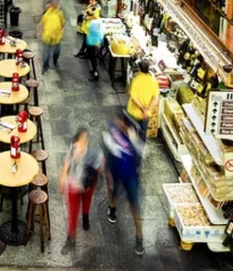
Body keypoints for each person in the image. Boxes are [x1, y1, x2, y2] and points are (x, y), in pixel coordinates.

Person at [103, 113, 145, 256]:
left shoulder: (134, 135)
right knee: (112, 191)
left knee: (134, 204)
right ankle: (112, 206)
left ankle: (139, 236)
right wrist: (108, 175)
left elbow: (140, 153)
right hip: (115, 172)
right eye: (121, 123)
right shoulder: (111, 135)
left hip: (131, 176)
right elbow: (107, 156)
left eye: (125, 125)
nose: (123, 126)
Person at [59, 128, 104, 251]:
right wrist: (63, 177)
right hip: (74, 183)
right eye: (81, 141)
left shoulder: (93, 152)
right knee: (73, 212)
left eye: (85, 141)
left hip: (88, 184)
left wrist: (99, 168)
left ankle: (85, 216)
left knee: (86, 202)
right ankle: (71, 238)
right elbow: (68, 160)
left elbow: (101, 167)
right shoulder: (73, 147)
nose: (82, 144)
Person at [126, 59, 159, 135]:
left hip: (133, 113)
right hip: (145, 116)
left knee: (129, 135)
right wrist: (147, 110)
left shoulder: (136, 80)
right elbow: (156, 99)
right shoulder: (154, 82)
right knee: (141, 135)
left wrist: (142, 109)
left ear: (139, 70)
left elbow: (134, 98)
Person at [38, 0, 65, 73]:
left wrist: (57, 34)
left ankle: (55, 59)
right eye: (52, 3)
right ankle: (45, 66)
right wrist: (41, 31)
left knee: (57, 51)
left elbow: (62, 25)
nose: (53, 5)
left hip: (56, 38)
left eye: (54, 3)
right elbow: (43, 22)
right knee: (46, 53)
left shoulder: (60, 14)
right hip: (47, 36)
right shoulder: (48, 12)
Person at [84, 14, 104, 81]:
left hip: (92, 43)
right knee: (93, 58)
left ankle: (96, 74)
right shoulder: (98, 23)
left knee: (93, 58)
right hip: (93, 42)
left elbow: (89, 29)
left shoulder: (93, 23)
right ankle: (94, 70)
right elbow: (101, 34)